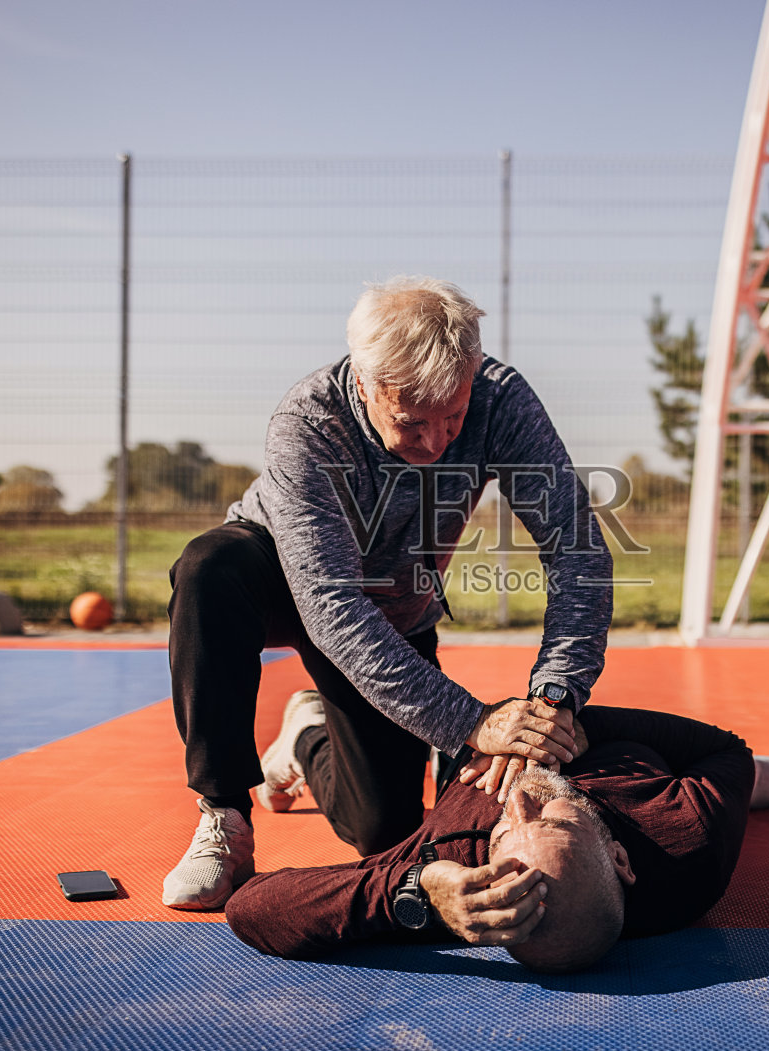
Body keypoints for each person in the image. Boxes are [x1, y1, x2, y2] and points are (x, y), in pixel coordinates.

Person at [163, 277, 614, 911]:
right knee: (209, 566)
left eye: (453, 416)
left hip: (393, 608)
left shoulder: (500, 401)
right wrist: (472, 723)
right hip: (286, 581)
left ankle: (305, 734)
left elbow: (578, 550)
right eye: (412, 421)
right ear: (367, 385)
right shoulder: (310, 419)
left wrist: (556, 697)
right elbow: (331, 606)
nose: (435, 442)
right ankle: (224, 819)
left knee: (385, 831)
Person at [225, 693, 769, 973]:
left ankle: (304, 731)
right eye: (551, 820)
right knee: (768, 779)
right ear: (618, 856)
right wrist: (576, 725)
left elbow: (250, 906)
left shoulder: (464, 871)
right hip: (631, 751)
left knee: (369, 816)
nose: (518, 803)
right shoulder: (684, 839)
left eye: (505, 837)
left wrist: (417, 889)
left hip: (467, 755)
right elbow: (723, 750)